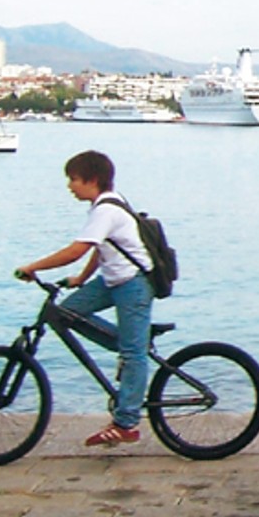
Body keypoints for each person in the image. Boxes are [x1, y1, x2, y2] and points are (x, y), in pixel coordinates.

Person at [14, 150, 155, 447]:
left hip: (134, 283)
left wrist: (33, 266)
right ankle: (133, 343)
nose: (69, 185)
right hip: (112, 280)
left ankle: (126, 422)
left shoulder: (107, 210)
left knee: (133, 354)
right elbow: (101, 247)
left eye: (73, 179)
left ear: (92, 180)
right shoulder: (102, 206)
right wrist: (81, 279)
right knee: (66, 312)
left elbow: (77, 249)